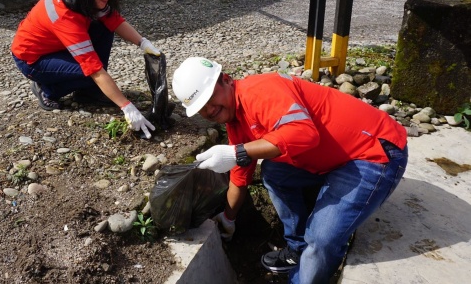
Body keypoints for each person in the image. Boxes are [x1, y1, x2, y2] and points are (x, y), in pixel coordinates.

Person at [171, 57, 408, 284]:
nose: (210, 109)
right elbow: (239, 178)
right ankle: (297, 247)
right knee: (274, 172)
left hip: (373, 152)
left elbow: (304, 133)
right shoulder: (236, 122)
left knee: (322, 239)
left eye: (211, 97)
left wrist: (238, 152)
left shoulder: (260, 90)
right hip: (333, 156)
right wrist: (228, 218)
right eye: (201, 107)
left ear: (226, 79)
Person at [11, 0, 160, 138]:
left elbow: (115, 21)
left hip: (57, 47)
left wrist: (143, 42)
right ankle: (47, 90)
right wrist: (127, 107)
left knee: (105, 27)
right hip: (32, 59)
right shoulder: (64, 15)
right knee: (88, 72)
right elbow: (94, 69)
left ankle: (87, 92)